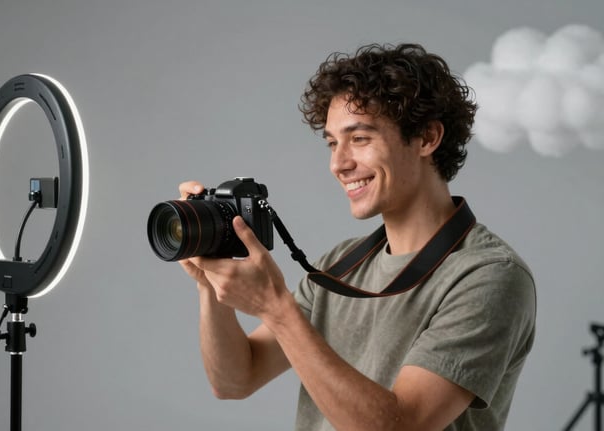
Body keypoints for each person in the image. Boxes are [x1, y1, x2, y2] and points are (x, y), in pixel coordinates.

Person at [176, 43, 536, 431]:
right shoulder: (340, 266)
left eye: (359, 138)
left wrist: (276, 307)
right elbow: (235, 379)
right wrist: (208, 282)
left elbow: (402, 426)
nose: (338, 163)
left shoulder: (489, 275)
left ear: (427, 138)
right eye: (333, 142)